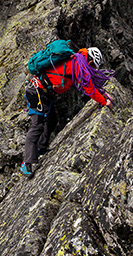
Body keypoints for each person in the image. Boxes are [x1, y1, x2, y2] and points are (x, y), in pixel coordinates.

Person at [21, 46, 114, 176]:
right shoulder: (78, 65)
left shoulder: (77, 60)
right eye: (93, 66)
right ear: (91, 61)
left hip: (45, 92)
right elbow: (89, 89)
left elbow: (89, 84)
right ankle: (27, 163)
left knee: (53, 120)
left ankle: (41, 147)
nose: (93, 69)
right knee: (37, 126)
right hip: (37, 92)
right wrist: (104, 102)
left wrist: (103, 94)